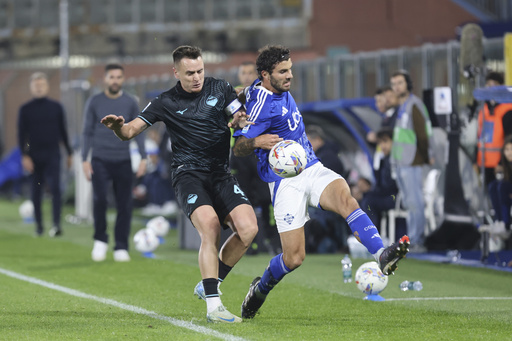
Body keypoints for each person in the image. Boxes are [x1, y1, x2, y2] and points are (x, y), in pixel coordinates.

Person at [232, 45, 410, 319]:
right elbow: (239, 147)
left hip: (311, 166)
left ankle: (381, 254)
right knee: (294, 258)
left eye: (290, 69)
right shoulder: (260, 108)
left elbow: (249, 89)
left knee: (345, 198)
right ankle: (261, 288)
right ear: (267, 75)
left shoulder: (263, 86)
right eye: (283, 72)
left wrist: (240, 92)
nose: (289, 76)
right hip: (284, 182)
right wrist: (255, 141)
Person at [99, 46, 258, 323]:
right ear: (176, 72)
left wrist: (239, 119)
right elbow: (129, 131)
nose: (197, 77)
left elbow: (236, 113)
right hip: (188, 175)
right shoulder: (164, 102)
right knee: (209, 227)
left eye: (200, 71)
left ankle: (211, 281)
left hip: (220, 174)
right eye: (190, 73)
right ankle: (214, 306)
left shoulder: (220, 88)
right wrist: (117, 128)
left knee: (248, 229)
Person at [82, 63, 147, 263]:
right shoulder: (94, 101)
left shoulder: (130, 102)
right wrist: (85, 159)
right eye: (112, 77)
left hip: (123, 159)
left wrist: (143, 157)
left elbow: (138, 130)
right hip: (100, 159)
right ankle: (100, 240)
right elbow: (87, 132)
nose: (115, 80)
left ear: (123, 79)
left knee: (125, 204)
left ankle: (121, 246)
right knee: (100, 200)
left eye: (119, 77)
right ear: (105, 79)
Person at [17, 72, 72, 237]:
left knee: (55, 189)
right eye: (36, 85)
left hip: (53, 154)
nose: (39, 87)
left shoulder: (56, 107)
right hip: (34, 156)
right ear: (31, 88)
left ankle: (56, 225)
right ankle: (39, 226)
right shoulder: (25, 109)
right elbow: (22, 135)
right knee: (36, 191)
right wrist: (25, 155)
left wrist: (69, 152)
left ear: (47, 86)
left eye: (42, 84)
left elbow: (63, 132)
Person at [231, 60, 277, 255]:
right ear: (239, 76)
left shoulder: (264, 94)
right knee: (243, 199)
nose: (248, 76)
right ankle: (249, 242)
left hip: (262, 153)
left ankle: (272, 240)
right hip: (241, 154)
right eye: (244, 73)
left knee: (267, 198)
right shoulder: (232, 95)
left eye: (251, 72)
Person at [390, 69, 434, 252]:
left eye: (400, 83)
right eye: (393, 84)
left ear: (408, 84)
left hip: (413, 161)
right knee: (410, 203)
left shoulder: (414, 105)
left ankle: (417, 241)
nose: (396, 87)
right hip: (402, 162)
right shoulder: (402, 106)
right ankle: (412, 240)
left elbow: (423, 135)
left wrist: (424, 156)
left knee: (415, 203)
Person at [476, 71, 512, 188]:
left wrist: (502, 163)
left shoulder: (507, 109)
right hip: (484, 162)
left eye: (494, 84)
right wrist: (475, 159)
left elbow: (509, 139)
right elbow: (479, 135)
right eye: (488, 84)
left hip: (501, 164)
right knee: (489, 194)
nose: (490, 87)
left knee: (500, 196)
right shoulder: (483, 109)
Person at [360, 127, 399, 232]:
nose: (382, 146)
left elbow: (392, 185)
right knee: (364, 198)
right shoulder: (384, 159)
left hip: (396, 198)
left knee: (368, 202)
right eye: (380, 143)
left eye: (385, 142)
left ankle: (371, 236)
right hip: (388, 195)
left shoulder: (396, 160)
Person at [487, 135, 512, 246]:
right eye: (506, 149)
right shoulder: (505, 164)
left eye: (511, 149)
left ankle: (506, 224)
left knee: (502, 187)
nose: (509, 153)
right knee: (493, 186)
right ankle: (499, 221)